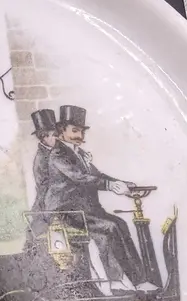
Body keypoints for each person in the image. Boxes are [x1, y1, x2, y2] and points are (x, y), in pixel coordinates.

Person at [44, 105, 151, 289]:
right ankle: (119, 281)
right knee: (110, 227)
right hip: (66, 213)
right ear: (61, 131)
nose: (80, 135)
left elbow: (97, 175)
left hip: (85, 211)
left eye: (82, 132)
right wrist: (109, 186)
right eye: (75, 131)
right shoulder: (58, 154)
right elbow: (80, 178)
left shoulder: (78, 153)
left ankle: (139, 280)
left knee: (120, 224)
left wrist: (122, 183)